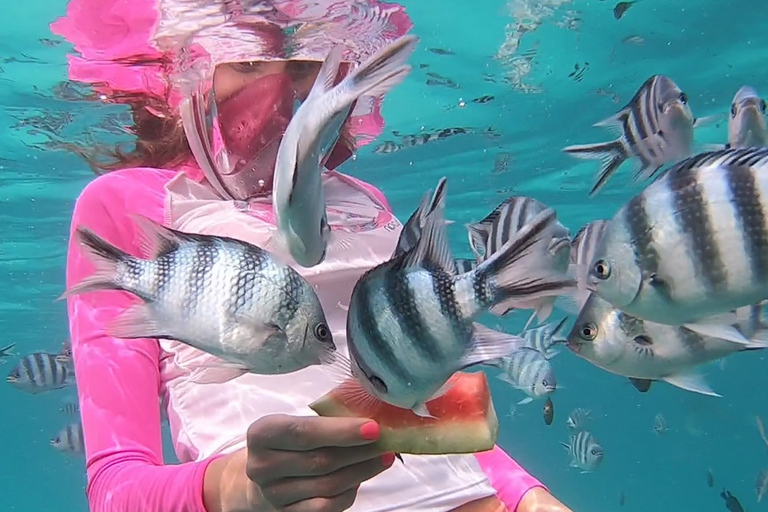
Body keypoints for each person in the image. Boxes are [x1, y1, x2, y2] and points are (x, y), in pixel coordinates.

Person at [52, 1, 576, 511]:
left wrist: (525, 494)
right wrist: (236, 487)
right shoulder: (124, 205)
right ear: (184, 75)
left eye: (303, 66)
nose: (279, 95)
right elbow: (115, 485)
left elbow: (432, 401)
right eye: (248, 64)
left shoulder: (367, 202)